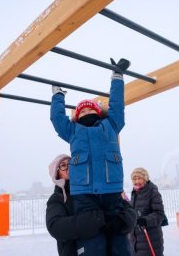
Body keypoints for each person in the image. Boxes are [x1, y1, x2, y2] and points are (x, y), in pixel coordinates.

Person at [50, 58, 134, 256]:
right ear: (77, 117)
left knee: (120, 244)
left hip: (111, 190)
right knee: (93, 244)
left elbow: (117, 105)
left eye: (90, 109)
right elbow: (57, 118)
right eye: (82, 111)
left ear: (98, 113)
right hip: (84, 194)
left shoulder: (111, 125)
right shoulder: (73, 131)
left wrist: (117, 77)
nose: (86, 112)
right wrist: (58, 95)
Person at [46, 154, 105, 256]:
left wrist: (125, 217)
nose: (68, 168)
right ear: (57, 173)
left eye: (71, 164)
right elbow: (55, 227)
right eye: (63, 165)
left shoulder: (90, 190)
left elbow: (121, 208)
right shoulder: (57, 198)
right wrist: (98, 218)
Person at [129, 167, 165, 256]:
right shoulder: (134, 193)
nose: (137, 181)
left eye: (139, 178)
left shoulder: (153, 192)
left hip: (150, 238)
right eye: (134, 179)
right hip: (135, 239)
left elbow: (159, 214)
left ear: (145, 179)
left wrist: (145, 220)